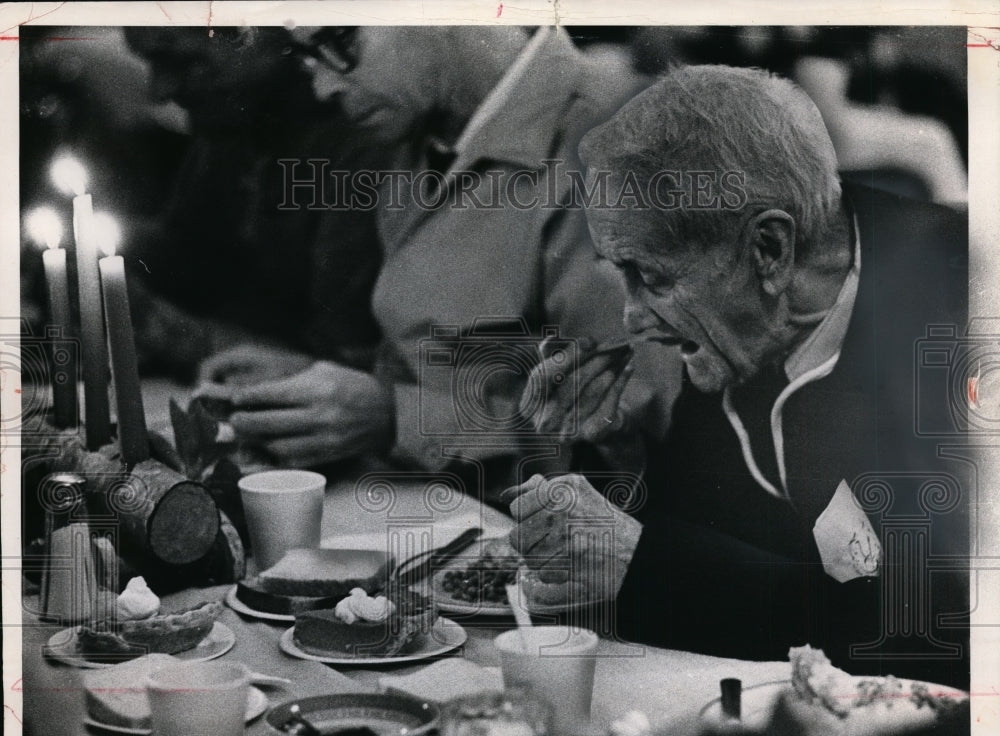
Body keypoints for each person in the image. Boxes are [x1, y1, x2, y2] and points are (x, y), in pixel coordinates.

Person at [504, 65, 969, 690]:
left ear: (770, 249)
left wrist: (643, 565)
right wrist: (623, 454)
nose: (632, 319)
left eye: (653, 278)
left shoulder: (957, 318)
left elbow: (934, 636)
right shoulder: (749, 320)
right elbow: (726, 542)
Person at [206, 26, 680, 498]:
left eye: (340, 41)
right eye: (308, 56)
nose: (323, 87)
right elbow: (442, 359)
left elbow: (623, 452)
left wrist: (398, 419)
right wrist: (317, 394)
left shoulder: (609, 145)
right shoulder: (420, 130)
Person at [123, 26, 384, 381]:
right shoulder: (232, 124)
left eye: (181, 59)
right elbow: (190, 255)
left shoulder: (365, 138)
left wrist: (161, 329)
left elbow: (342, 371)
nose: (160, 91)